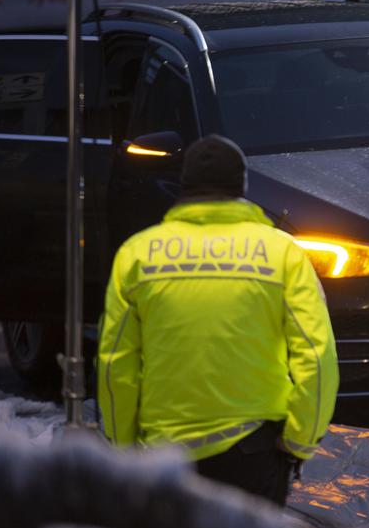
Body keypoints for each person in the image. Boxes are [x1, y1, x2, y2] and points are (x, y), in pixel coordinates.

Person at [97, 134, 339, 505]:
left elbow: (116, 364)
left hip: (164, 455)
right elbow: (316, 356)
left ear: (184, 186)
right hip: (253, 451)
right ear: (243, 186)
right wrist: (299, 441)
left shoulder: (137, 254)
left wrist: (123, 449)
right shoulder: (282, 253)